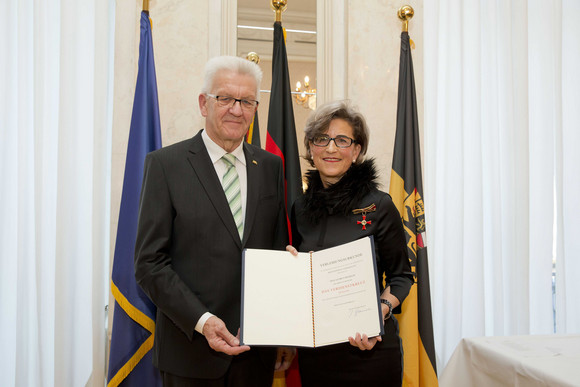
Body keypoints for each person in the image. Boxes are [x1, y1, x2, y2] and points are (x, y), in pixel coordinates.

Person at [134, 55, 294, 386]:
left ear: (254, 108)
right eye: (225, 98)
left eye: (247, 101)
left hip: (256, 353)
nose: (236, 109)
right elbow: (149, 264)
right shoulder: (165, 165)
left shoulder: (269, 167)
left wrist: (283, 330)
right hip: (190, 351)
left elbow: (275, 252)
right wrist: (203, 321)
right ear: (204, 103)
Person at [287, 100, 414, 386]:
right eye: (322, 139)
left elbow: (402, 277)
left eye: (342, 140)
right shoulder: (300, 208)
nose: (331, 149)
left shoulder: (379, 205)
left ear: (356, 151)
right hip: (316, 354)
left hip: (370, 350)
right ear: (310, 148)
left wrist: (378, 312)